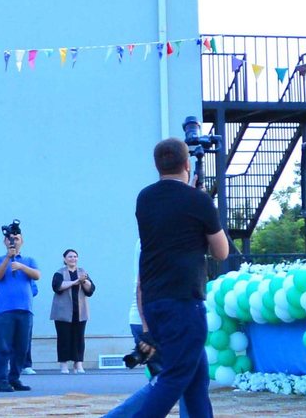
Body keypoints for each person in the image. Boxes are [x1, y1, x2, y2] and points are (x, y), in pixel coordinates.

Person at [99, 137, 228, 418]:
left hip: (154, 302)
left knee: (196, 381)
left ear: (157, 165)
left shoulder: (145, 198)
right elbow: (221, 252)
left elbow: (171, 223)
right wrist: (204, 204)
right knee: (175, 377)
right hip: (185, 302)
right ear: (187, 164)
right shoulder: (199, 201)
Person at [0, 226, 40, 394]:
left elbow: (37, 275)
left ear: (22, 241)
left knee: (22, 347)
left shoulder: (29, 260)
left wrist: (21, 266)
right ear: (5, 242)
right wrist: (8, 259)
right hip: (4, 310)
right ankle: (1, 381)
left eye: (17, 239)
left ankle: (15, 378)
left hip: (25, 309)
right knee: (3, 347)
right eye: (10, 239)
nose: (13, 242)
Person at [49, 250, 94, 374]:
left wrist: (83, 281)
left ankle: (78, 363)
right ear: (64, 259)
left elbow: (91, 290)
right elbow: (57, 286)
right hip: (62, 312)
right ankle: (63, 364)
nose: (73, 259)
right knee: (63, 338)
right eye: (70, 257)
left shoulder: (83, 272)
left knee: (79, 337)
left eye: (75, 256)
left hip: (80, 311)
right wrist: (75, 282)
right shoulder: (59, 273)